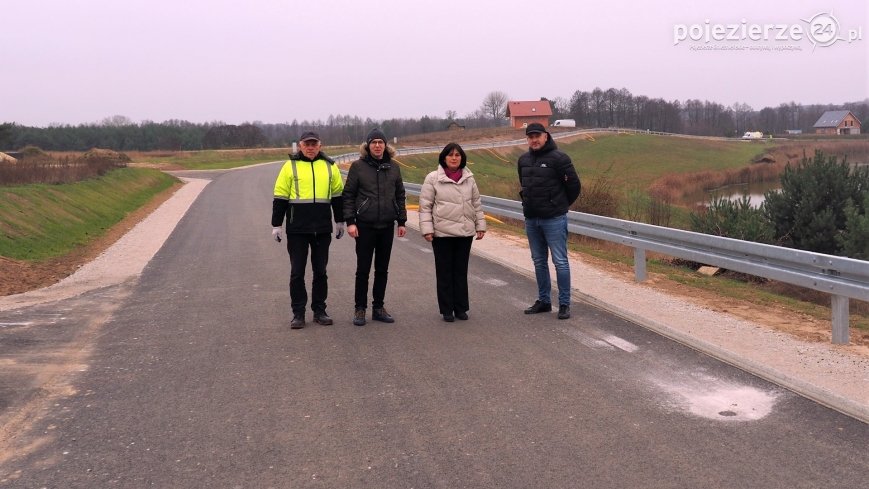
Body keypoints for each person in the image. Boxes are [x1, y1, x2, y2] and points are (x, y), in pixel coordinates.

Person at [271, 131, 345, 329]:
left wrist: (340, 221)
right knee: (297, 273)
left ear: (320, 145)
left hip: (321, 229)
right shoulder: (290, 166)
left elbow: (337, 195)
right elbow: (280, 197)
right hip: (297, 230)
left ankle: (319, 311)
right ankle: (298, 313)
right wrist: (276, 225)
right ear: (300, 146)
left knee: (320, 272)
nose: (310, 147)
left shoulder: (330, 166)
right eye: (307, 144)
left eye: (314, 144)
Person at [342, 128, 407, 326]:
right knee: (363, 269)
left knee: (382, 269)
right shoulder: (358, 167)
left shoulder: (393, 168)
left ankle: (378, 307)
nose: (377, 146)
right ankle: (360, 308)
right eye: (373, 142)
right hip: (365, 225)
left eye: (380, 142)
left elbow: (400, 195)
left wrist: (402, 221)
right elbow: (349, 196)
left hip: (386, 225)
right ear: (367, 146)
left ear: (385, 145)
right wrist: (350, 222)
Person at [517, 122, 581, 319]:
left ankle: (564, 304)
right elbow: (524, 183)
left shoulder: (560, 158)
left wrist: (559, 205)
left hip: (554, 219)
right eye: (530, 137)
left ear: (546, 136)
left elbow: (574, 186)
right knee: (538, 261)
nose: (534, 140)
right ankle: (544, 301)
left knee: (560, 261)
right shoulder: (523, 160)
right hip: (532, 219)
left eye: (537, 136)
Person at [418, 143, 486, 322]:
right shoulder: (433, 178)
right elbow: (425, 206)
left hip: (465, 233)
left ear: (462, 158)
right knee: (444, 272)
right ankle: (447, 310)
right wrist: (427, 229)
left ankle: (461, 308)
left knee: (460, 271)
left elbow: (476, 204)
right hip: (442, 234)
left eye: (457, 155)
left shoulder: (469, 178)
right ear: (444, 158)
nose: (454, 158)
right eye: (450, 155)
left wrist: (480, 226)